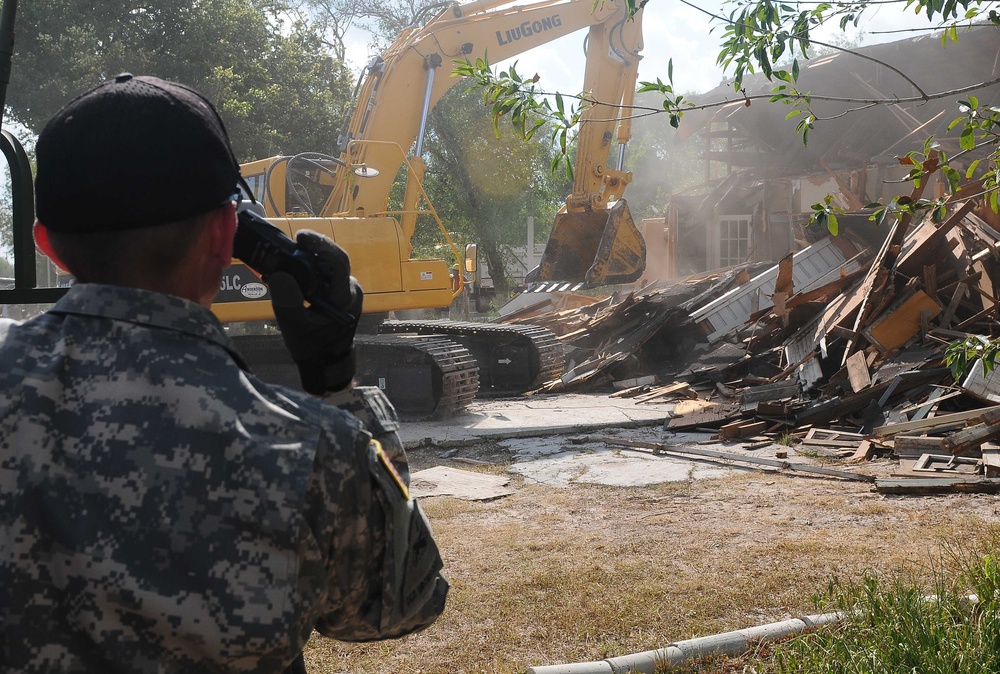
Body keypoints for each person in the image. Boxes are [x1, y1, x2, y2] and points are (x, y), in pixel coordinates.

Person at [0, 73, 447, 672]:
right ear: (224, 236)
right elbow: (404, 602)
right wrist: (335, 387)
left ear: (48, 245)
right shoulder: (309, 447)